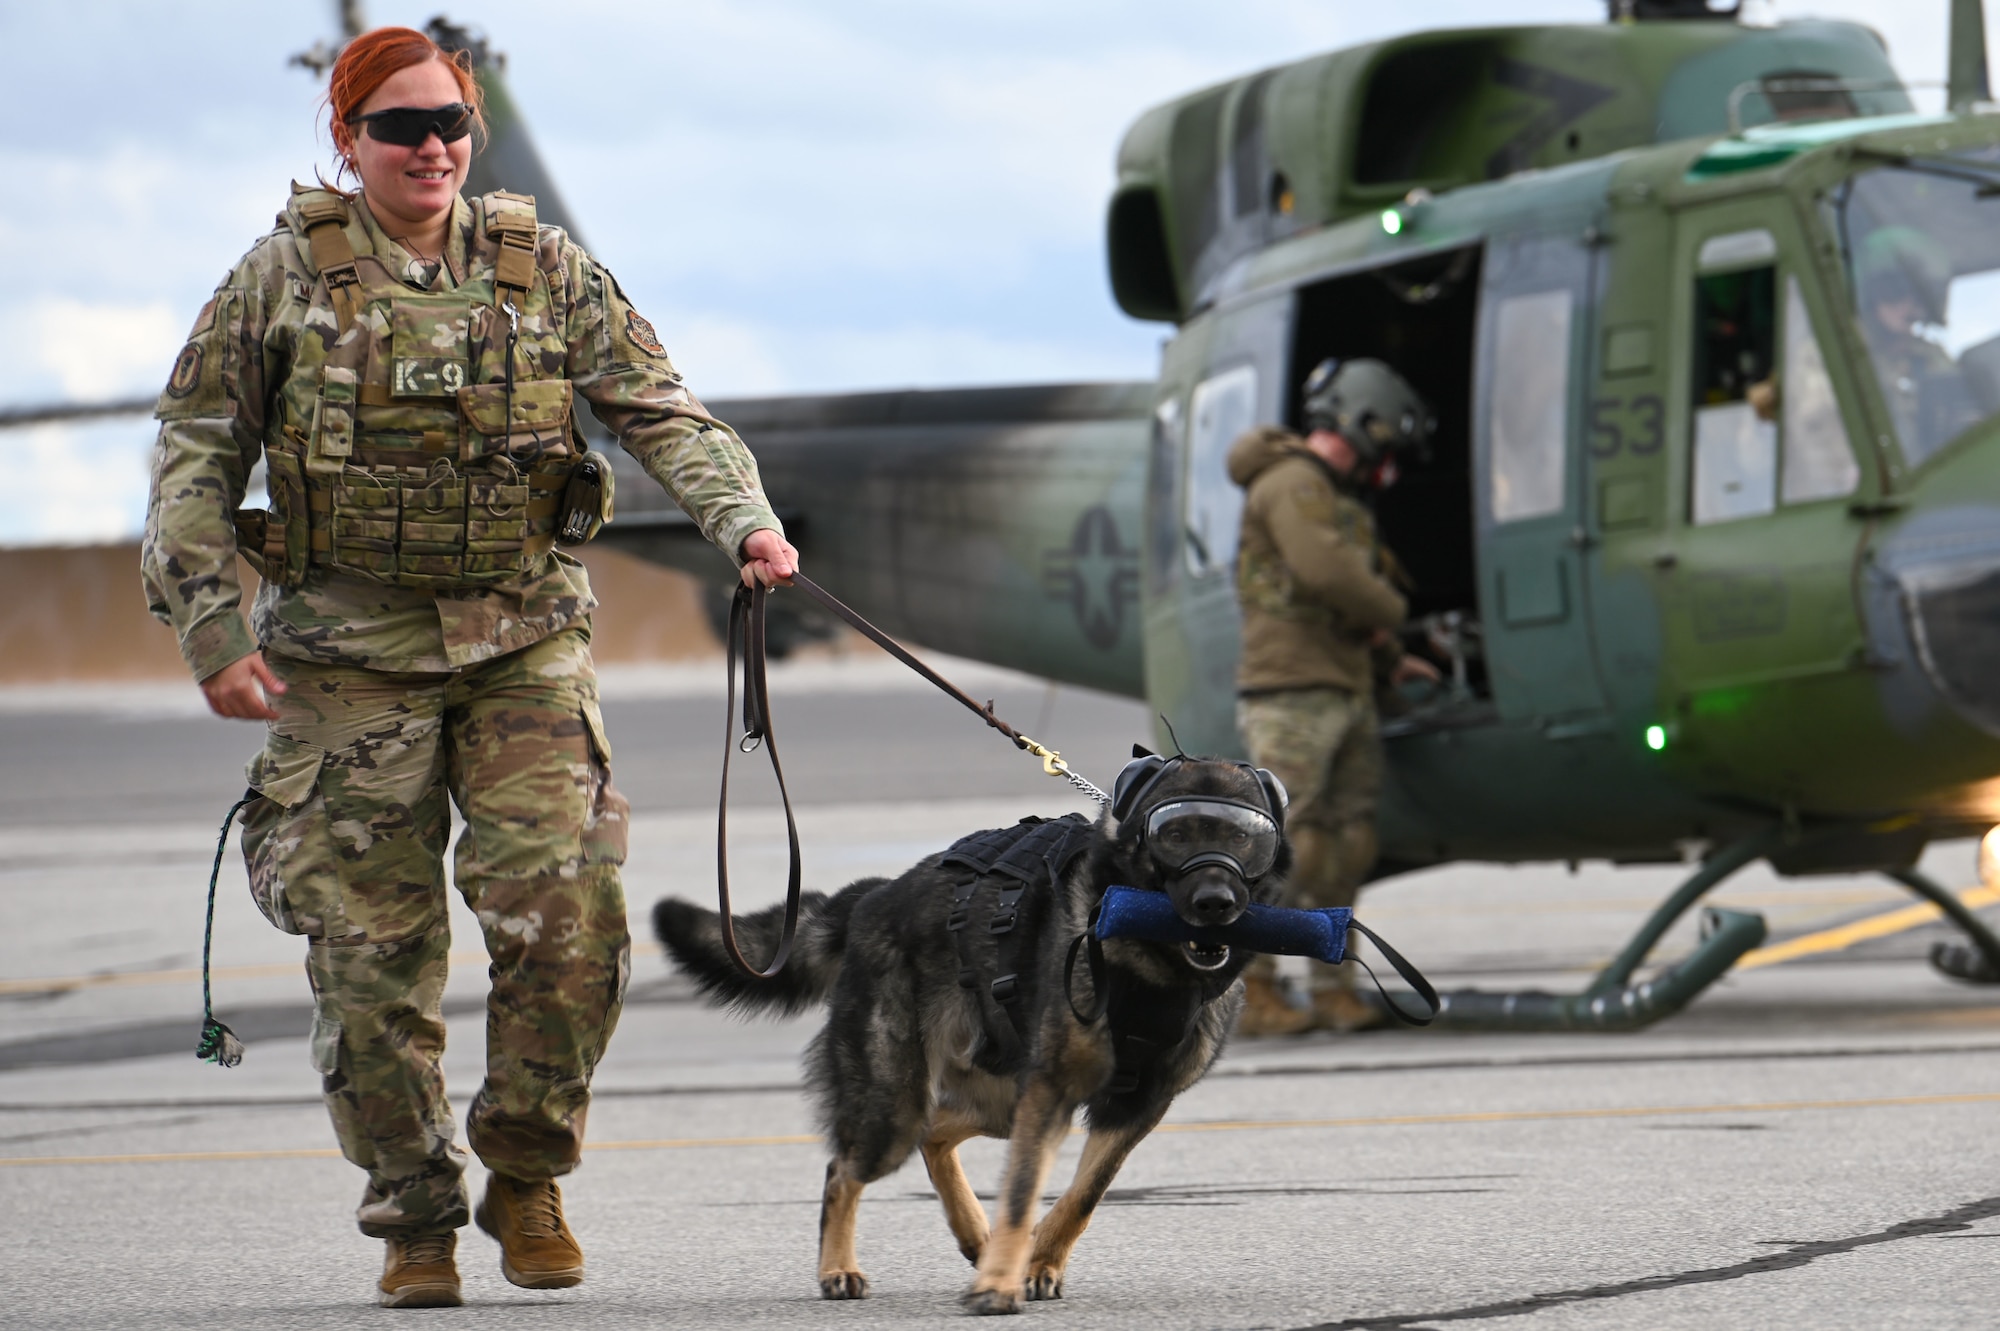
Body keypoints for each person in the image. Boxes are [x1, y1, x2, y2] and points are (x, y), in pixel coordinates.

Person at [140, 27, 799, 1309]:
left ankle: (525, 1166)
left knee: (570, 916)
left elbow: (658, 404)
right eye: (397, 126)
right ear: (348, 140)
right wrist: (210, 628)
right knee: (370, 957)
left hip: (521, 641)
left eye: (448, 121)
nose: (430, 145)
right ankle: (416, 1217)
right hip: (346, 658)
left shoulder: (541, 268)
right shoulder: (278, 280)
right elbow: (195, 453)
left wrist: (744, 521)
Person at [1226, 358, 1437, 1037]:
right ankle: (1254, 987)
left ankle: (1331, 984)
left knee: (1348, 844)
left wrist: (1389, 659)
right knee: (1293, 845)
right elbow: (1328, 575)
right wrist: (1393, 609)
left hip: (1341, 685)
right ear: (1367, 420)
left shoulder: (1329, 495)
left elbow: (1348, 609)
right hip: (1292, 690)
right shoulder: (1292, 484)